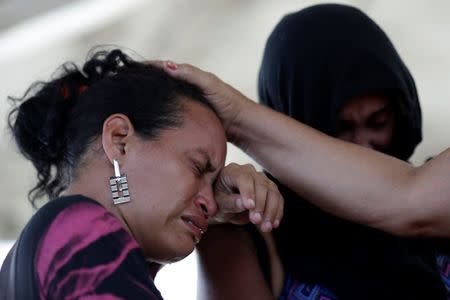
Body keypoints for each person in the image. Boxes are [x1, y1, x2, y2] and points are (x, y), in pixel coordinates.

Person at [156, 5, 450, 300]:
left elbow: (407, 196)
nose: (363, 144)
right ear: (296, 125)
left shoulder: (433, 196)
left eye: (379, 121)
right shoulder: (252, 221)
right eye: (339, 129)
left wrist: (237, 117)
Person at [0, 49, 284, 299]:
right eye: (197, 167)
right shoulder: (83, 231)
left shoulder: (43, 246)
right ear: (120, 140)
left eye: (213, 184)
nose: (210, 204)